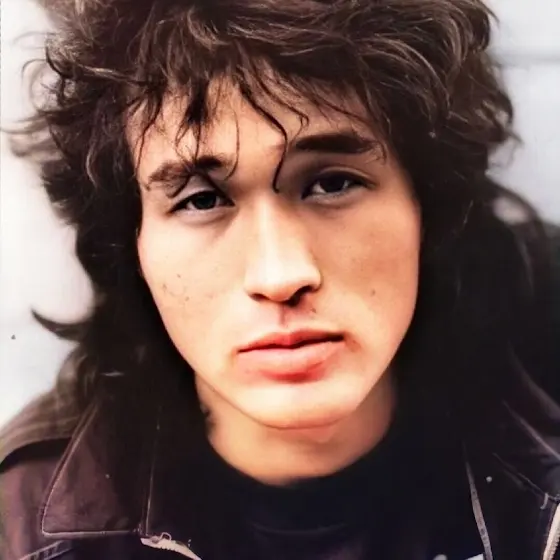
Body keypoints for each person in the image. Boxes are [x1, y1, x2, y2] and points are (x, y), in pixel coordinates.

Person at [1, 0, 559, 559]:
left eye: (332, 184)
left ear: (427, 208)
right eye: (202, 201)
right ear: (133, 247)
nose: (281, 275)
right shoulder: (24, 529)